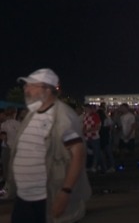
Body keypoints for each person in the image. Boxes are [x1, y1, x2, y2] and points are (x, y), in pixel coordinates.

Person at [7, 68, 91, 222]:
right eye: (26, 86)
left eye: (31, 85)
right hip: (24, 196)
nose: (26, 89)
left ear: (47, 89)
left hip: (47, 196)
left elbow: (77, 154)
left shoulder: (62, 117)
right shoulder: (32, 114)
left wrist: (65, 192)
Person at [0, 107, 20, 187]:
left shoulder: (4, 124)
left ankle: (5, 188)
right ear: (14, 113)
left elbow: (2, 137)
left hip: (6, 148)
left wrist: (6, 141)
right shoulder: (18, 124)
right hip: (15, 148)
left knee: (6, 168)